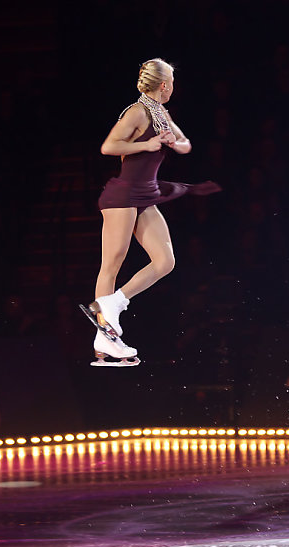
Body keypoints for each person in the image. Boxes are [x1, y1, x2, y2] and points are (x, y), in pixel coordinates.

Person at [82, 58, 220, 366]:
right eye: (172, 80)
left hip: (145, 194)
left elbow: (185, 144)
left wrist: (173, 140)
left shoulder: (161, 113)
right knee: (112, 263)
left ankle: (113, 304)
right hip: (124, 194)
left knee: (165, 261)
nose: (174, 85)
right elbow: (109, 146)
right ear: (164, 85)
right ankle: (105, 338)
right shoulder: (137, 112)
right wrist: (146, 146)